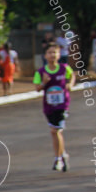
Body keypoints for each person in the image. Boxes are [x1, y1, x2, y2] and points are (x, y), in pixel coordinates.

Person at [33, 43, 75, 172]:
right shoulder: (41, 72)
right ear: (45, 56)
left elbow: (72, 76)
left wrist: (70, 85)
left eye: (55, 52)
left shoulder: (64, 68)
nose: (53, 55)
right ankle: (63, 155)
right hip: (49, 106)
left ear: (59, 54)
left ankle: (58, 159)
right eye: (50, 52)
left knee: (56, 131)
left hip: (63, 105)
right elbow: (37, 89)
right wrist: (44, 82)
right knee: (54, 132)